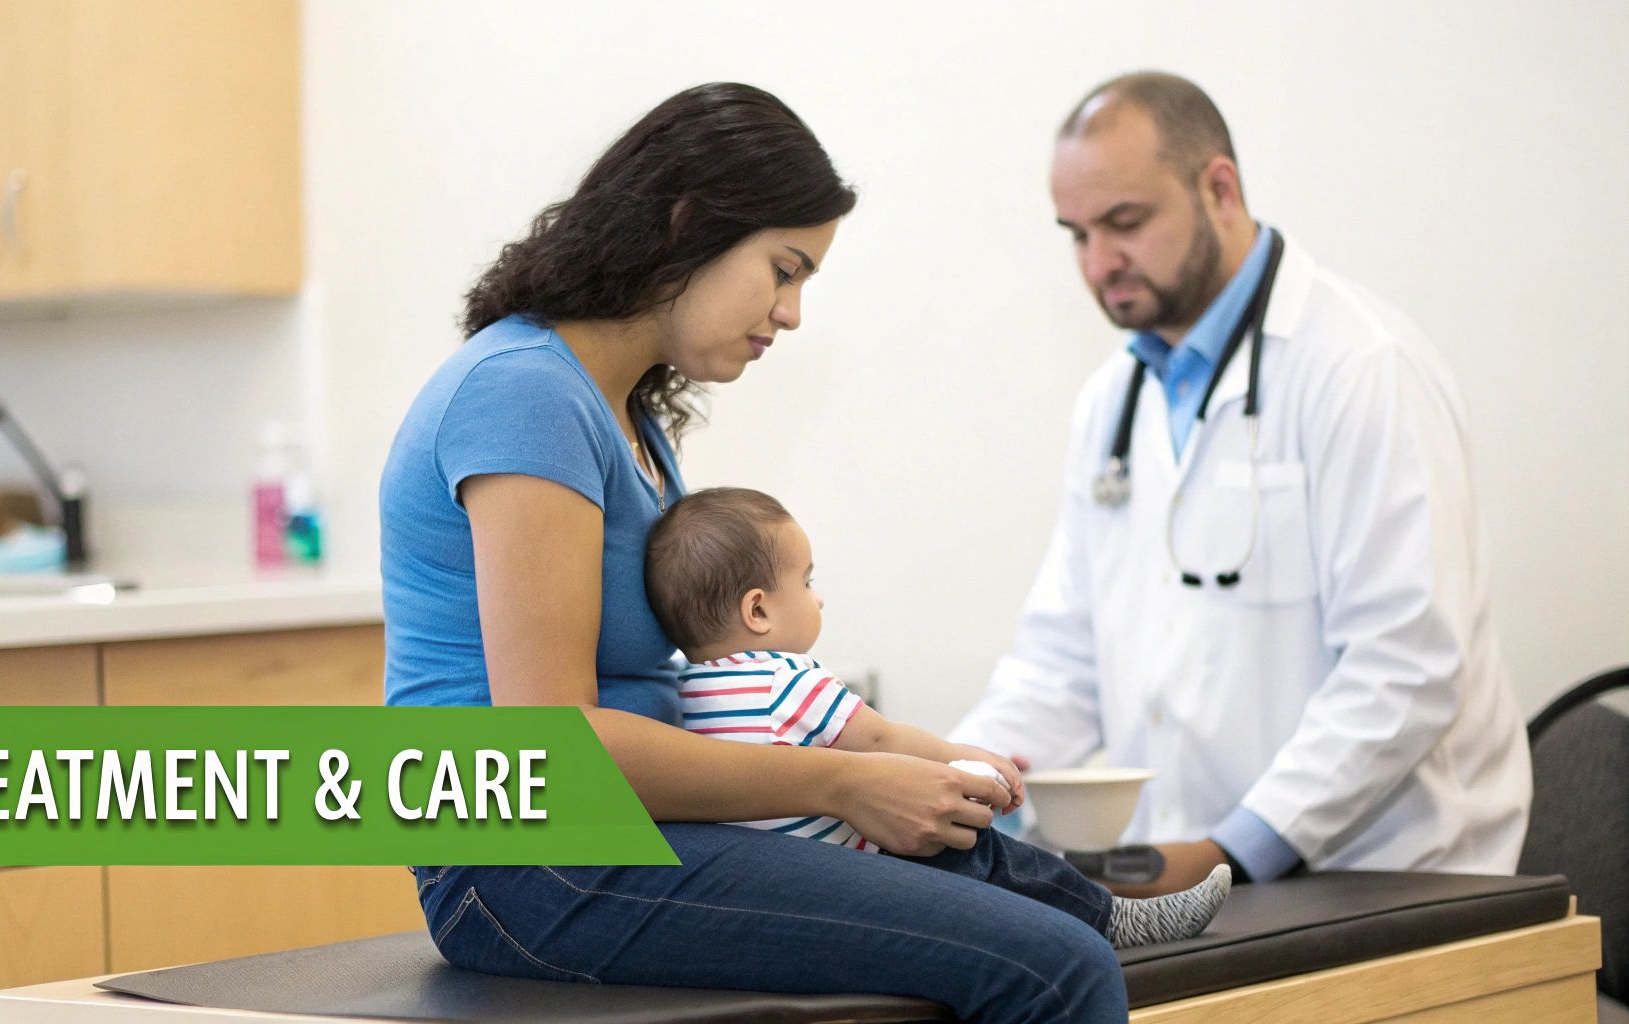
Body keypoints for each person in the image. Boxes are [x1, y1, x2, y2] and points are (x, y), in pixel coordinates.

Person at [381, 83, 1128, 1021]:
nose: (793, 311)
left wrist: (864, 763)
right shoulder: (525, 394)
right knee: (1056, 968)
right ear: (687, 224)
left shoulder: (626, 420)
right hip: (524, 863)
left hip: (615, 838)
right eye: (784, 269)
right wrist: (842, 780)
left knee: (1000, 895)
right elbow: (554, 754)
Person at [950, 71, 1531, 897]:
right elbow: (1061, 663)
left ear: (1218, 187)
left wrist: (1229, 849)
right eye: (1075, 234)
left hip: (1385, 879)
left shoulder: (1362, 367)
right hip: (1202, 880)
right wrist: (954, 785)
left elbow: (1404, 666)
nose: (1097, 262)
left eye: (1125, 223)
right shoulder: (1113, 401)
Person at [647, 484, 1233, 947]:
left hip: (776, 886)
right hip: (845, 873)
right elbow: (879, 741)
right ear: (758, 610)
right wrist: (971, 758)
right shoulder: (784, 679)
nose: (819, 597)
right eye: (806, 581)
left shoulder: (682, 695)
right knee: (983, 851)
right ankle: (1114, 919)